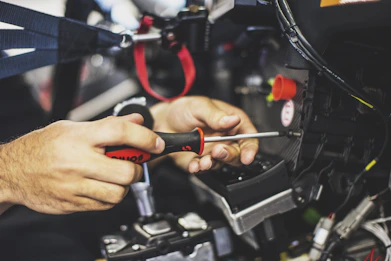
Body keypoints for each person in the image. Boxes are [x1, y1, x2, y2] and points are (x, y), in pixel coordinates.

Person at [0, 78, 259, 260]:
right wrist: (13, 172)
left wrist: (161, 130)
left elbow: (31, 136)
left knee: (178, 193)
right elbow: (26, 163)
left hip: (45, 208)